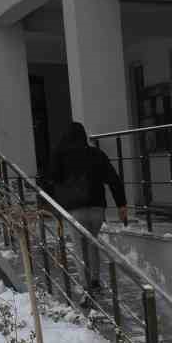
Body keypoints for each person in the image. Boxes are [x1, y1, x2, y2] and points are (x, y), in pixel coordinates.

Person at [43, 122, 128, 301]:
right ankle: (95, 281)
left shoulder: (61, 156)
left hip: (74, 211)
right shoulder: (96, 154)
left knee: (79, 248)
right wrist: (122, 204)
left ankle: (85, 284)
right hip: (97, 208)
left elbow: (50, 179)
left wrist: (53, 205)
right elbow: (113, 179)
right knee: (92, 244)